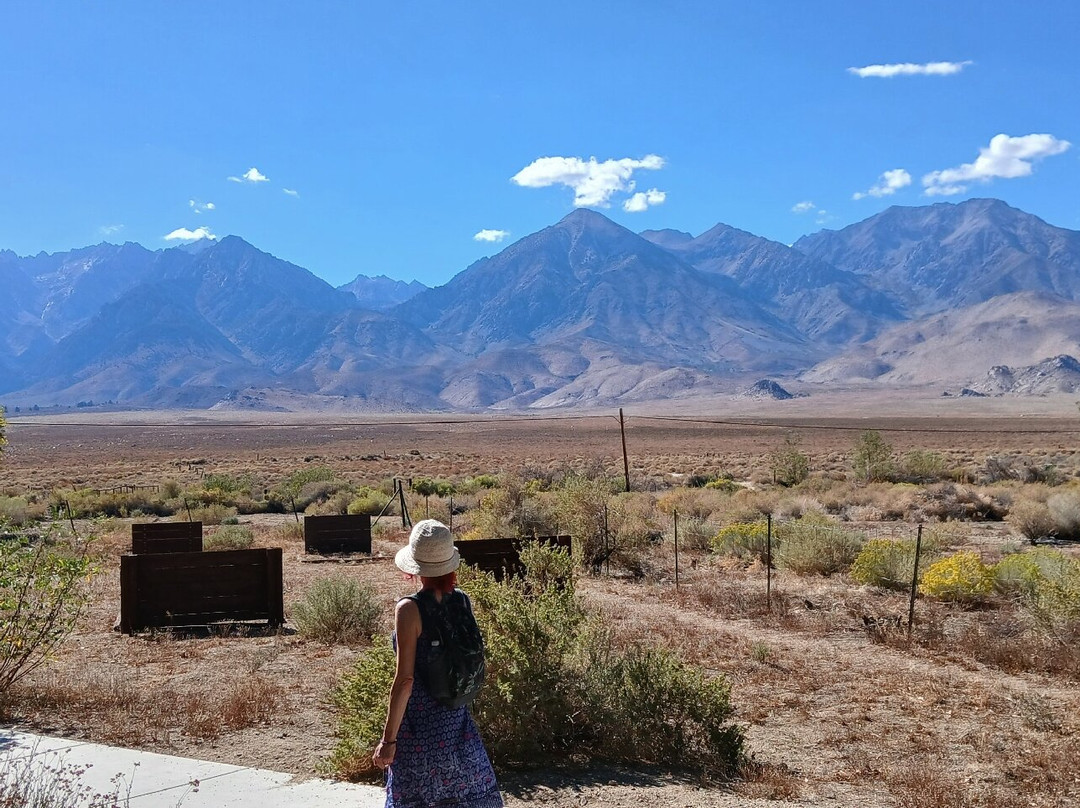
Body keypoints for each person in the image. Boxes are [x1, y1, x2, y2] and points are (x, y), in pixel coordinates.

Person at [373, 519, 503, 808]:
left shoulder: (409, 609)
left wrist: (388, 741)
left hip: (419, 731)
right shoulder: (463, 601)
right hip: (457, 726)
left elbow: (405, 681)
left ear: (415, 566)